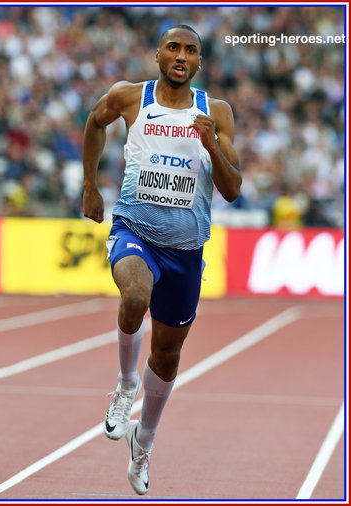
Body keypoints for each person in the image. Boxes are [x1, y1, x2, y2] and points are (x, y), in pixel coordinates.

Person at [82, 25, 241, 495]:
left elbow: (233, 189)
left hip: (186, 251)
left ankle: (143, 441)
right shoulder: (131, 97)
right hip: (136, 229)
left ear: (198, 61)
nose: (181, 55)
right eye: (173, 47)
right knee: (134, 296)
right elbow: (94, 122)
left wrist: (212, 143)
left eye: (190, 50)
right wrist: (90, 185)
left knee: (168, 354)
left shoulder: (217, 112)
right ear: (158, 55)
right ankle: (125, 385)